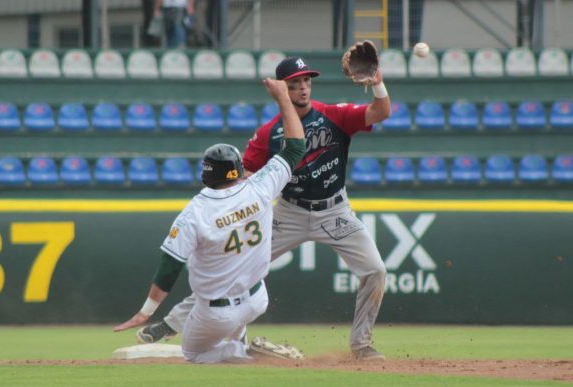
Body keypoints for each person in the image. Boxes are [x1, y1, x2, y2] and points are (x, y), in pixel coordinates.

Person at [136, 56, 392, 361]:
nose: (303, 89)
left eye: (306, 82)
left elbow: (381, 112)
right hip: (289, 212)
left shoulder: (333, 115)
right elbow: (239, 179)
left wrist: (377, 84)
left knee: (376, 270)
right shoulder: (268, 134)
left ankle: (361, 345)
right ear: (282, 89)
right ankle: (172, 323)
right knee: (234, 269)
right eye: (294, 84)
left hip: (334, 211)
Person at [113, 78, 306, 364]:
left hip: (216, 313)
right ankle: (242, 342)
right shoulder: (260, 187)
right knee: (230, 290)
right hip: (257, 298)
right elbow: (295, 148)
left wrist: (146, 311)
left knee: (194, 355)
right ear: (239, 170)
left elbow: (170, 266)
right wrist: (284, 100)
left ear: (207, 175)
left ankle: (250, 354)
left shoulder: (195, 212)